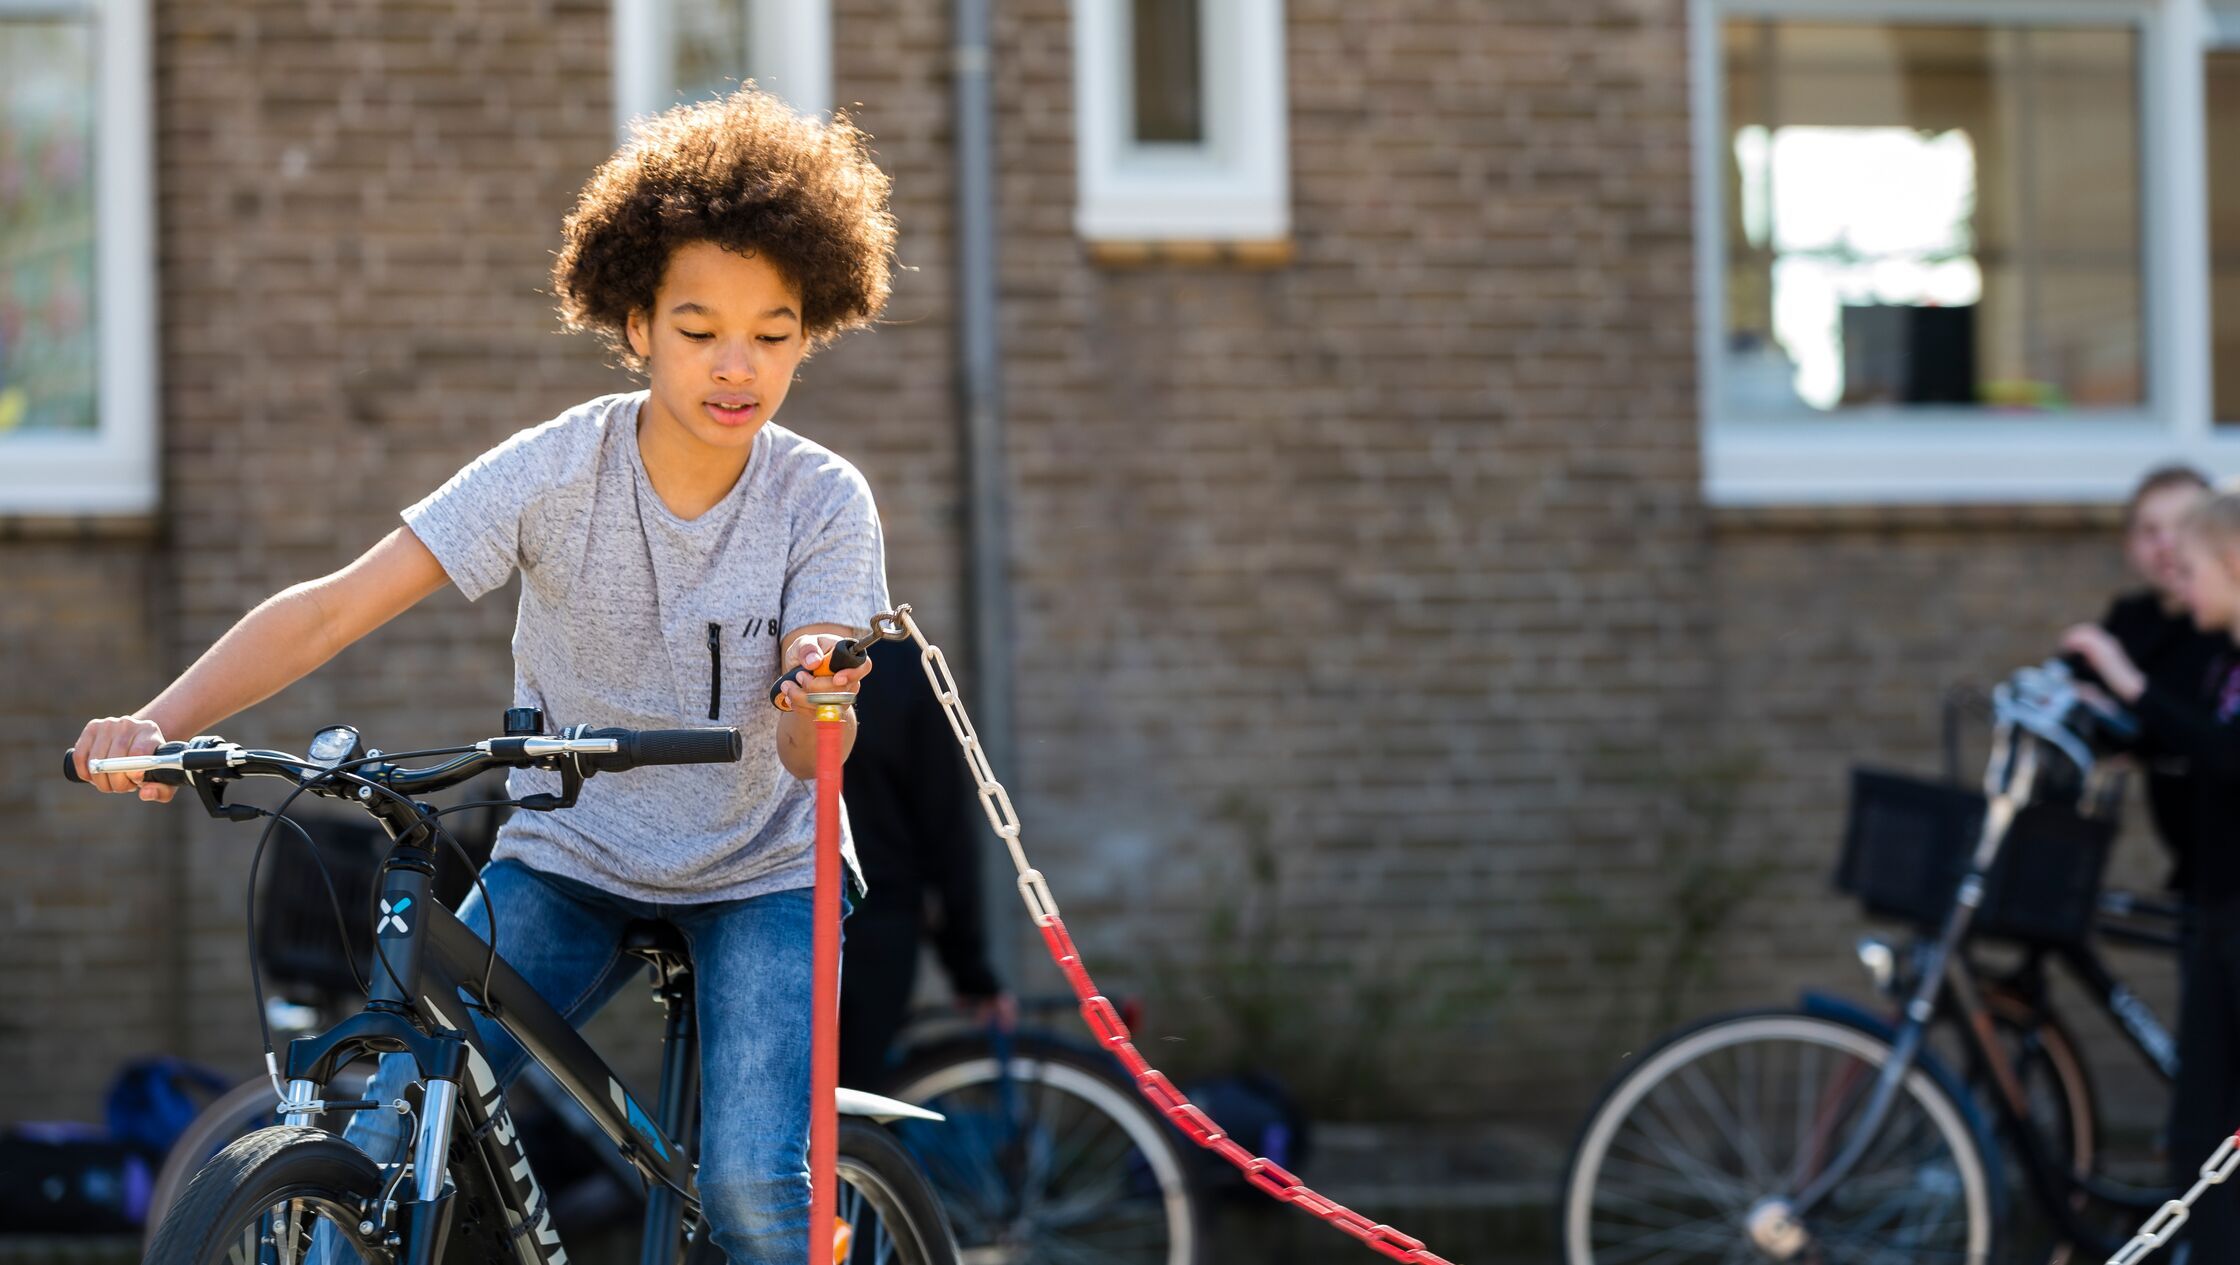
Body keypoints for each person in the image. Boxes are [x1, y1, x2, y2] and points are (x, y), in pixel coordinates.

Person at [69, 86, 899, 1263]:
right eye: (699, 326)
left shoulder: (821, 499)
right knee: (399, 1118)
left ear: (810, 330)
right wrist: (155, 724)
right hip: (569, 851)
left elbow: (814, 757)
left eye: (773, 333)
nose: (736, 366)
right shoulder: (555, 471)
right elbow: (336, 604)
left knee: (758, 1188)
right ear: (635, 323)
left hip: (760, 865)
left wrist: (818, 694)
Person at [2066, 488, 2240, 1264]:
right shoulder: (2221, 660)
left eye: (2193, 567)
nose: (2180, 584)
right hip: (2215, 907)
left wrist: (2130, 684)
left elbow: (2226, 752)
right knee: (2199, 1126)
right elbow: (2189, 742)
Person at [837, 635, 1013, 1092]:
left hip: (769, 906)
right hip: (877, 923)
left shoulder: (762, 653)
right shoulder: (898, 667)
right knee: (858, 1103)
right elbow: (944, 828)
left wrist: (970, 969)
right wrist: (971, 971)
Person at [2083, 465, 2219, 889]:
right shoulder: (2132, 618)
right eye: (2150, 531)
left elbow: (2210, 740)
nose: (2167, 546)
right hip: (2191, 853)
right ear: (2129, 546)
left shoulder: (2225, 635)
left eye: (2183, 526)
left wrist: (2129, 689)